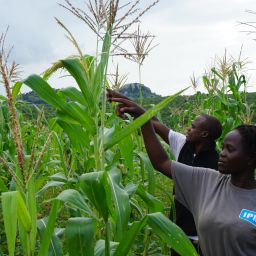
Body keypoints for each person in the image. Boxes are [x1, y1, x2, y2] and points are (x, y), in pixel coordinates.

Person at [108, 95, 256, 256]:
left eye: (230, 149)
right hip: (181, 234)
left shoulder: (213, 163)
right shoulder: (208, 179)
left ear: (251, 158)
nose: (223, 154)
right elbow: (161, 162)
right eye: (224, 147)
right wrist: (142, 117)